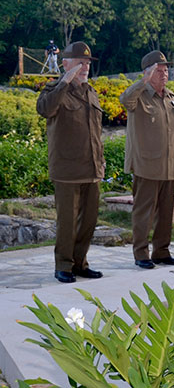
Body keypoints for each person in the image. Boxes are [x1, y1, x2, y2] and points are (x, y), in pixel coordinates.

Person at [36, 41, 104, 283]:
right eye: (79, 62)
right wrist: (64, 82)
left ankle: (79, 262)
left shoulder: (91, 92)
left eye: (87, 63)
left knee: (89, 221)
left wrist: (101, 162)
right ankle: (63, 265)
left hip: (91, 169)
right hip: (67, 169)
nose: (84, 67)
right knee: (67, 222)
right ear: (65, 64)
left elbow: (95, 132)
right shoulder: (54, 90)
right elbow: (45, 109)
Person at [120, 50, 174, 269]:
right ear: (147, 73)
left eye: (166, 70)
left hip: (169, 164)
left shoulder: (171, 97)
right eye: (159, 70)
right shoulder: (138, 96)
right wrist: (142, 83)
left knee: (166, 213)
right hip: (147, 165)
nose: (164, 74)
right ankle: (141, 254)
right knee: (144, 213)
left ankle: (161, 251)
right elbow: (124, 100)